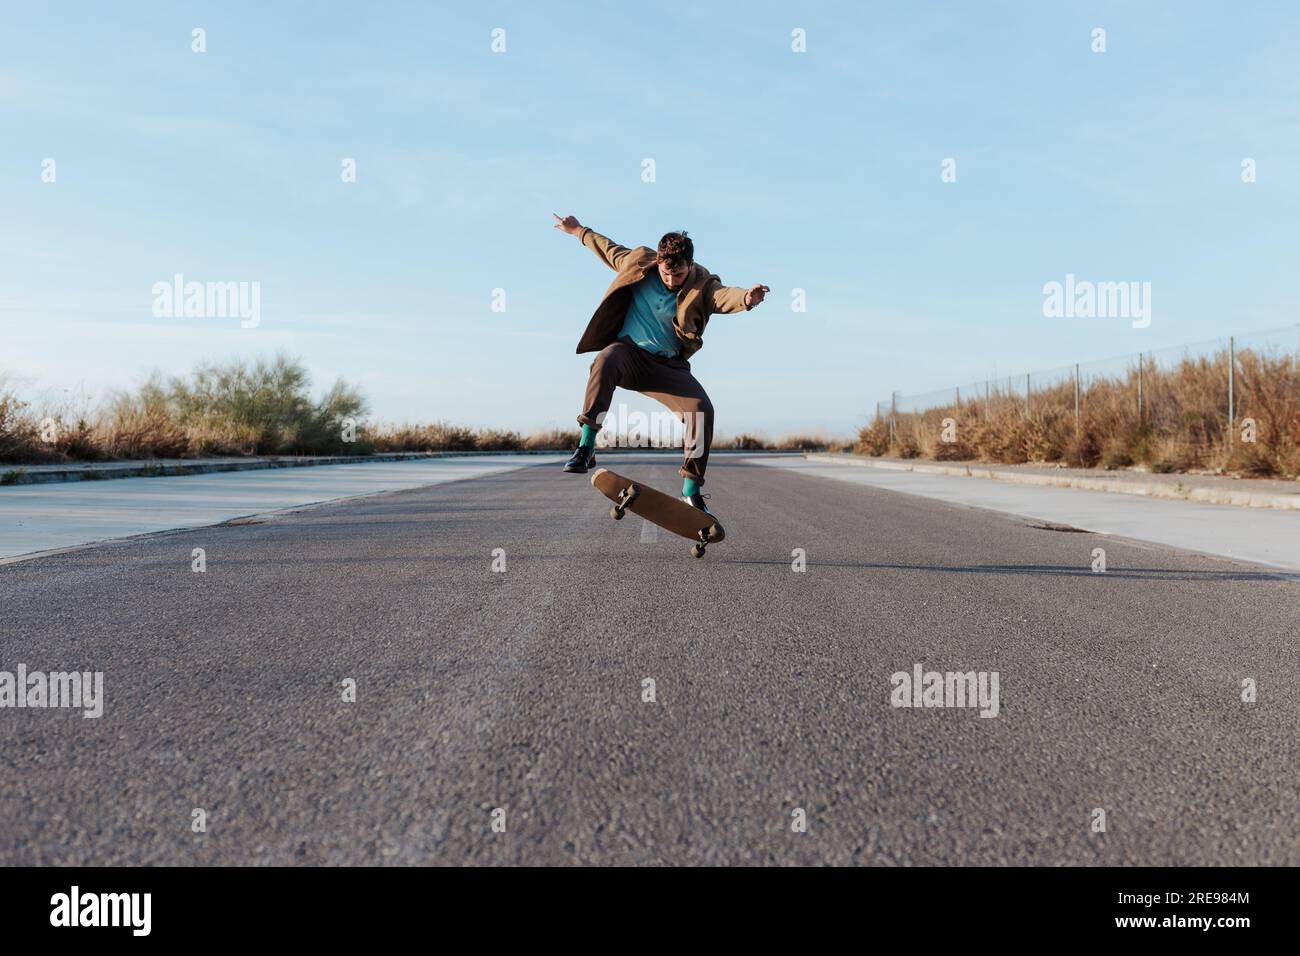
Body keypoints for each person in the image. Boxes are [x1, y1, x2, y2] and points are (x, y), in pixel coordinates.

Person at [553, 214, 768, 517]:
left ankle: (691, 492)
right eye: (666, 274)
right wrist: (577, 231)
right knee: (605, 359)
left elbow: (722, 296)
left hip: (668, 368)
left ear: (689, 266)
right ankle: (586, 447)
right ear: (659, 263)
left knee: (701, 410)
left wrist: (746, 298)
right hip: (629, 354)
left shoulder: (703, 282)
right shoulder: (640, 261)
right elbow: (608, 248)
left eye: (678, 275)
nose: (670, 281)